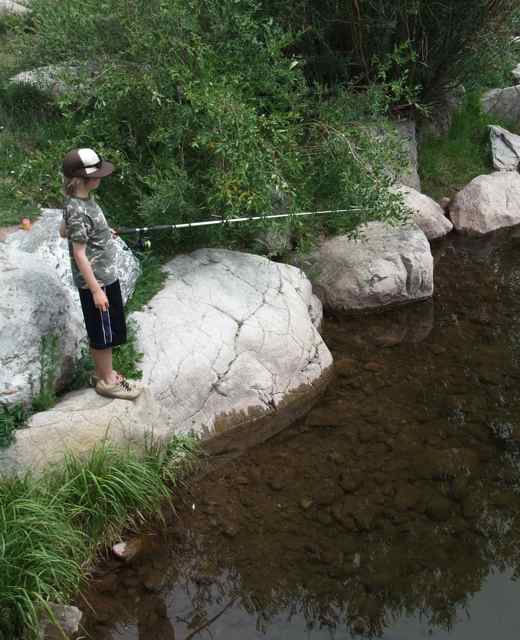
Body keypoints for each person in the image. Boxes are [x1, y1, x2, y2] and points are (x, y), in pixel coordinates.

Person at [59, 148, 143, 400]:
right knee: (103, 334)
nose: (101, 176)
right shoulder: (78, 208)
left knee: (104, 330)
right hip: (98, 282)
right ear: (82, 178)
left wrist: (103, 234)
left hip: (105, 278)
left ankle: (104, 372)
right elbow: (79, 253)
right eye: (97, 173)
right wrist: (96, 290)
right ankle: (108, 382)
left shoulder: (79, 201)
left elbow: (64, 231)